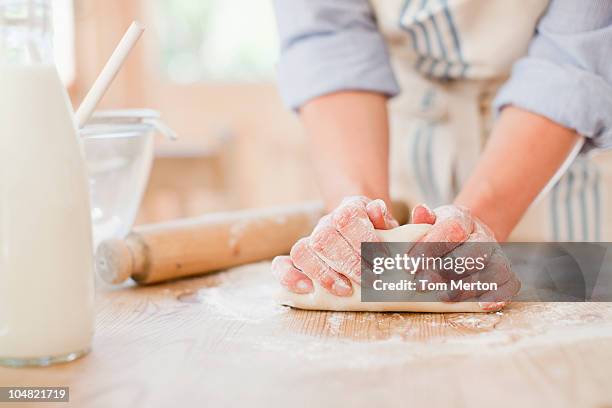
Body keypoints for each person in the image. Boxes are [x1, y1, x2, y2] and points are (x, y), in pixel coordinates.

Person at [270, 0, 612, 310]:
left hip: (552, 155)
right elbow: (330, 36)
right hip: (397, 138)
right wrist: (358, 220)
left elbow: (571, 60)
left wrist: (473, 229)